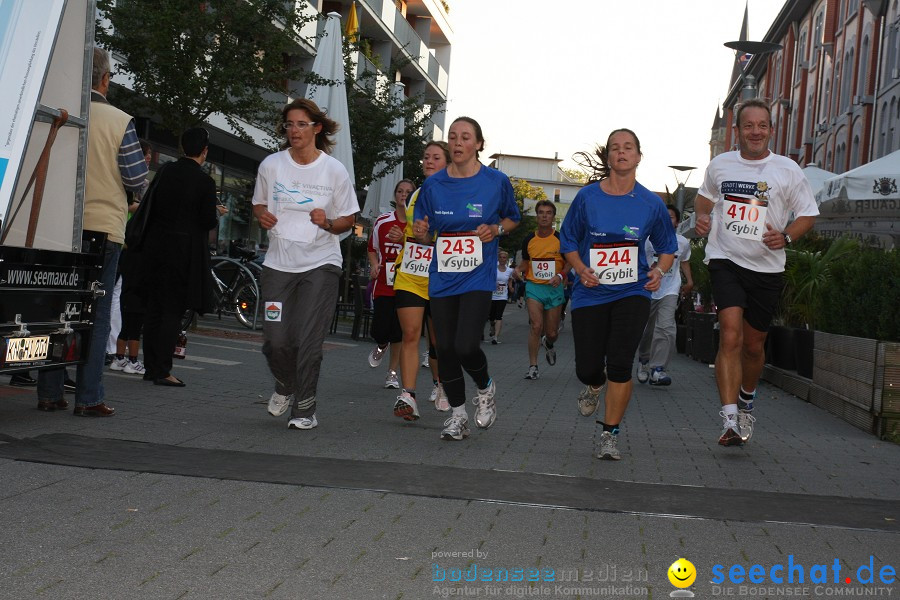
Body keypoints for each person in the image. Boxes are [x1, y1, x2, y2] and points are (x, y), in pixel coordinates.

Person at [694, 99, 818, 447]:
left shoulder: (787, 170)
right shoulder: (720, 165)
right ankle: (730, 418)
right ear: (737, 131)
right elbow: (704, 199)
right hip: (725, 259)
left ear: (771, 130)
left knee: (753, 345)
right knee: (730, 336)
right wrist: (703, 218)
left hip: (766, 266)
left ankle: (747, 397)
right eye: (748, 125)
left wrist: (788, 235)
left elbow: (808, 213)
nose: (755, 132)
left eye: (762, 125)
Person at [36, 47, 148, 415]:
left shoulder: (57, 114)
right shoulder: (120, 121)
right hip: (102, 229)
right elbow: (136, 178)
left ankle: (50, 393)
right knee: (96, 315)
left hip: (55, 227)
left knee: (57, 312)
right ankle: (89, 398)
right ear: (105, 79)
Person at [560, 128, 676, 460]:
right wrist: (581, 269)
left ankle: (610, 434)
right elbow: (568, 241)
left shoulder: (651, 203)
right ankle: (594, 385)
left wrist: (658, 271)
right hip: (590, 292)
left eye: (628, 148)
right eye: (615, 148)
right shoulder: (587, 197)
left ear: (638, 156)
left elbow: (667, 248)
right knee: (588, 367)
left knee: (622, 364)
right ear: (608, 157)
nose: (622, 153)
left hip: (632, 292)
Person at [253, 98, 358, 430]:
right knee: (276, 340)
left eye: (301, 124)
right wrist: (263, 217)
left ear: (317, 128)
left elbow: (349, 219)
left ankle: (305, 409)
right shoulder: (271, 165)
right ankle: (285, 383)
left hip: (321, 265)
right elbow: (258, 204)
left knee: (308, 341)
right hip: (278, 264)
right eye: (289, 124)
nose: (294, 130)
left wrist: (327, 222)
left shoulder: (333, 170)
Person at [413, 116, 520, 441]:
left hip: (477, 275)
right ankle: (458, 415)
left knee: (465, 345)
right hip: (443, 275)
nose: (458, 143)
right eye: (453, 137)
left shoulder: (495, 181)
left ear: (478, 144)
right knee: (444, 348)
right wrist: (422, 233)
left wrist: (496, 230)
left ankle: (485, 387)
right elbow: (426, 234)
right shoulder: (433, 185)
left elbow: (512, 218)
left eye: (465, 137)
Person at [134, 127, 218, 387]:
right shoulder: (205, 182)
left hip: (155, 247)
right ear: (204, 151)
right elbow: (207, 220)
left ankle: (150, 366)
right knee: (172, 310)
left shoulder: (166, 171)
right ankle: (162, 369)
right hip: (184, 252)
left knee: (154, 309)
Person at [389, 142, 450, 419]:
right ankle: (408, 395)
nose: (429, 161)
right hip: (411, 274)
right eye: (426, 156)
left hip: (441, 276)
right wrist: (402, 236)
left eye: (436, 157)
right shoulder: (413, 195)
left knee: (437, 342)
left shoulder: (454, 195)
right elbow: (412, 232)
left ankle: (441, 385)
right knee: (411, 334)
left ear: (447, 162)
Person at [110, 139, 154, 376]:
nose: (147, 158)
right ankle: (129, 358)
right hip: (127, 245)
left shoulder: (138, 183)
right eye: (146, 155)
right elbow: (129, 206)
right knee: (131, 311)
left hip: (124, 243)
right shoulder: (135, 183)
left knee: (121, 302)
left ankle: (118, 356)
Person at [636, 205, 694, 386]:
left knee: (666, 327)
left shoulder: (682, 242)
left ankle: (658, 369)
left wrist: (689, 281)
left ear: (677, 221)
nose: (667, 220)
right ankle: (644, 361)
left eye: (671, 217)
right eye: (664, 216)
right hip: (648, 288)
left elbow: (684, 261)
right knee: (647, 329)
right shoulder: (646, 240)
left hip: (670, 288)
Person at [366, 179, 415, 389]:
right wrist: (375, 264)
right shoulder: (383, 221)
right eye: (400, 191)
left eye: (408, 192)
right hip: (384, 283)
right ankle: (380, 343)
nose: (404, 195)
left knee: (399, 332)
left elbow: (424, 249)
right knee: (380, 329)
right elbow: (371, 248)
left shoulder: (418, 225)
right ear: (395, 195)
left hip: (408, 284)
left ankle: (392, 373)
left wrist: (405, 239)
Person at [515, 200, 568, 380]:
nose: (544, 215)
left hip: (554, 288)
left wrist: (560, 276)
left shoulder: (560, 239)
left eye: (548, 213)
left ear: (553, 217)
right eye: (541, 212)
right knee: (536, 326)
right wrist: (517, 270)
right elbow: (524, 263)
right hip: (534, 287)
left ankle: (548, 342)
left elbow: (570, 263)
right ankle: (533, 366)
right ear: (536, 216)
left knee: (552, 332)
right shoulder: (529, 239)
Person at [488, 249, 512, 344]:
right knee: (491, 316)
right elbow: (488, 278)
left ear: (506, 259)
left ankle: (495, 337)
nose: (502, 259)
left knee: (499, 316)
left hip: (502, 296)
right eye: (501, 257)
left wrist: (510, 287)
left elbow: (510, 280)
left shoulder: (510, 270)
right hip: (492, 296)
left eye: (504, 258)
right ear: (498, 258)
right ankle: (492, 325)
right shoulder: (493, 268)